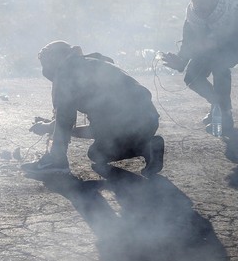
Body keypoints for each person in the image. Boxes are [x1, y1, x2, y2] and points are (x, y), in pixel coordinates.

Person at [22, 41, 164, 177]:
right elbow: (97, 128)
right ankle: (149, 147)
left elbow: (65, 120)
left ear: (54, 59)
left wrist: (49, 128)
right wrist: (52, 126)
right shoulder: (90, 63)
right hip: (148, 121)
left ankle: (56, 162)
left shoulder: (67, 73)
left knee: (98, 153)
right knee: (97, 152)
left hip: (127, 124)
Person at [161, 0, 238, 135]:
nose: (198, 6)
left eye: (202, 2)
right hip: (212, 45)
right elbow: (188, 44)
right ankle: (217, 105)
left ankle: (225, 115)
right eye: (195, 2)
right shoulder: (193, 14)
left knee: (220, 65)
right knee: (191, 76)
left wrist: (211, 45)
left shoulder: (234, 4)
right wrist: (179, 61)